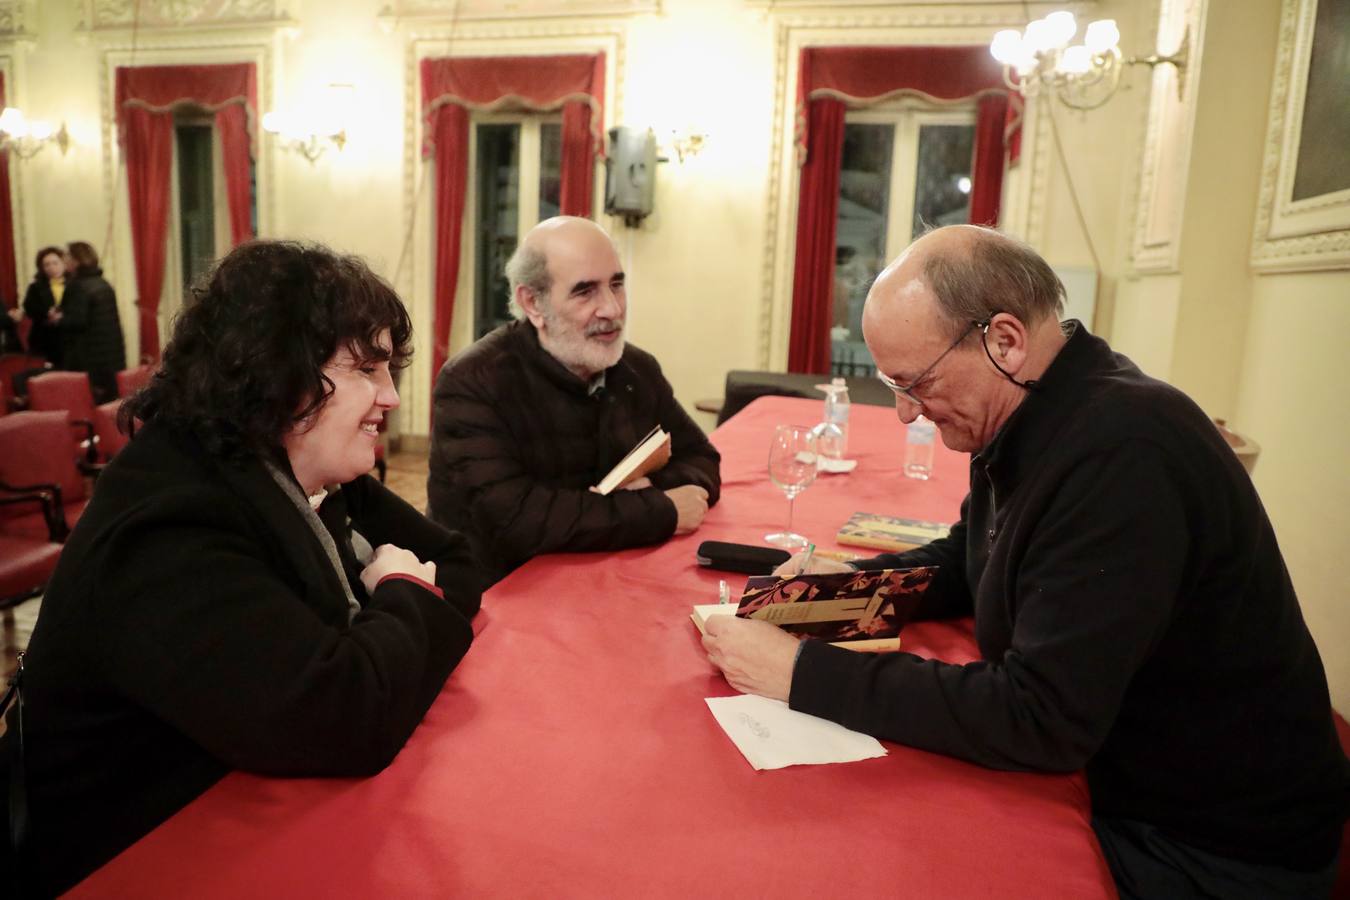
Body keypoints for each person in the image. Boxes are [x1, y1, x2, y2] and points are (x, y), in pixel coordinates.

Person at [702, 225, 1350, 898]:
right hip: (1142, 786)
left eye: (915, 382)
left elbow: (1041, 717)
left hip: (1210, 845)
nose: (904, 414)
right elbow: (972, 556)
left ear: (1004, 340)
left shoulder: (1123, 453)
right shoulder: (1044, 406)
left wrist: (801, 673)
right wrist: (839, 595)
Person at [0, 240, 483, 897]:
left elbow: (457, 564)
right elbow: (347, 717)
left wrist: (387, 638)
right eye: (368, 368)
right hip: (135, 862)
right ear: (277, 370)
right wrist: (400, 591)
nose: (392, 396)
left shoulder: (303, 465)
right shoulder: (166, 523)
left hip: (257, 820)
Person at [427, 216, 721, 585]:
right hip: (498, 602)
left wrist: (653, 488)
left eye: (617, 285)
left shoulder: (636, 369)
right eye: (585, 292)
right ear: (532, 302)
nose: (612, 309)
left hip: (611, 582)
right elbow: (518, 520)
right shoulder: (473, 383)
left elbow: (702, 457)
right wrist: (659, 510)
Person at [56, 241, 125, 402]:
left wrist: (58, 319)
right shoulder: (104, 284)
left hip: (88, 358)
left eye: (67, 257)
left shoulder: (78, 286)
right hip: (110, 357)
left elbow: (77, 321)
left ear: (76, 260)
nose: (64, 262)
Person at [18, 246, 67, 365]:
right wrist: (47, 313)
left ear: (63, 264)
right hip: (44, 337)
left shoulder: (74, 284)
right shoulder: (36, 287)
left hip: (67, 337)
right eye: (47, 265)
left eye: (55, 263)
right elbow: (29, 308)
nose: (52, 268)